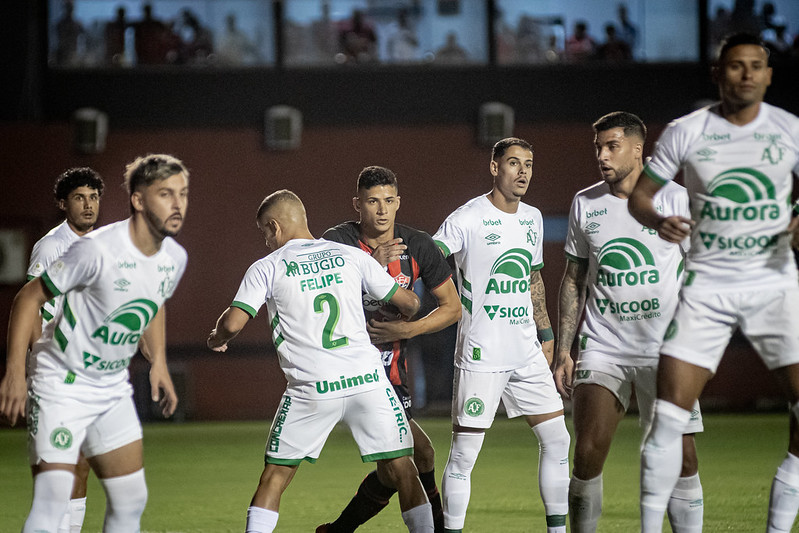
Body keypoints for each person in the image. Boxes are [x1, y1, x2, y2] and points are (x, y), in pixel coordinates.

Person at [628, 33, 799, 533]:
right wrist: (657, 220)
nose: (746, 74)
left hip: (775, 285)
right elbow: (641, 197)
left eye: (755, 66)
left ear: (768, 75)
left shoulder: (789, 130)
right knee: (668, 420)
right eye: (736, 66)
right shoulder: (686, 131)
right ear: (718, 74)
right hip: (707, 290)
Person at [206, 190, 434, 533]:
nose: (266, 241)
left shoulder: (267, 266)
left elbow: (233, 323)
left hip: (312, 387)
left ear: (274, 227)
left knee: (275, 476)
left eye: (265, 233)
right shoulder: (351, 256)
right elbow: (411, 304)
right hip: (368, 381)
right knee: (403, 469)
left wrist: (216, 339)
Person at [0, 154, 189, 532]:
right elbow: (28, 298)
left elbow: (154, 301)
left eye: (183, 193)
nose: (178, 203)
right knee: (54, 496)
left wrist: (160, 362)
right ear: (137, 200)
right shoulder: (95, 249)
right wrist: (16, 372)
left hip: (111, 387)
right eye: (165, 193)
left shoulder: (175, 257)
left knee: (130, 499)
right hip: (61, 383)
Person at [553, 112, 703, 533]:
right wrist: (565, 349)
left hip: (667, 350)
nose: (601, 155)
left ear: (639, 149)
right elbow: (574, 278)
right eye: (597, 147)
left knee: (683, 458)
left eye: (611, 146)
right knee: (586, 453)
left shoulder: (676, 199)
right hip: (604, 346)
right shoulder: (585, 203)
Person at [433, 138, 571, 533]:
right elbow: (431, 255)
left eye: (528, 163)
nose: (523, 171)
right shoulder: (467, 218)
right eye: (514, 163)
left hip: (526, 350)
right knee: (464, 454)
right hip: (482, 354)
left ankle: (557, 530)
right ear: (495, 168)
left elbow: (532, 277)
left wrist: (546, 332)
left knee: (557, 440)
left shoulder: (533, 217)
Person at [318, 166, 461, 532]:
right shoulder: (338, 242)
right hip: (351, 371)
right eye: (372, 201)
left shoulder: (418, 245)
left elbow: (453, 308)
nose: (381, 210)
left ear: (398, 202)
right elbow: (322, 299)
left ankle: (336, 531)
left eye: (388, 201)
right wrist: (371, 266)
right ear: (357, 205)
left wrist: (406, 328)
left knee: (412, 457)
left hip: (393, 371)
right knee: (407, 461)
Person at [25, 168, 105, 533]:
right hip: (55, 371)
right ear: (63, 203)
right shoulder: (51, 246)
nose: (88, 205)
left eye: (93, 197)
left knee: (83, 462)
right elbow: (32, 308)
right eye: (79, 197)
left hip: (90, 372)